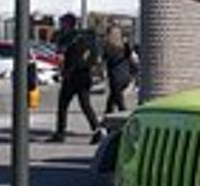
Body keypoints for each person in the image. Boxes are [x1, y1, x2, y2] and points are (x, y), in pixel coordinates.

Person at [54, 12, 102, 143]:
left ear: (67, 24)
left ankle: (60, 133)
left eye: (62, 23)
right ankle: (97, 130)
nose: (60, 25)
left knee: (63, 105)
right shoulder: (85, 37)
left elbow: (61, 56)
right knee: (86, 105)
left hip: (72, 76)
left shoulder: (69, 37)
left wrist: (63, 71)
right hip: (85, 75)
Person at [102, 24, 138, 115]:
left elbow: (105, 59)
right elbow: (129, 56)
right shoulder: (123, 46)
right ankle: (107, 114)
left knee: (120, 103)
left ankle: (122, 118)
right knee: (112, 98)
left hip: (115, 77)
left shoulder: (108, 46)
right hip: (126, 76)